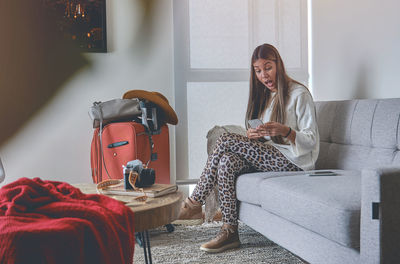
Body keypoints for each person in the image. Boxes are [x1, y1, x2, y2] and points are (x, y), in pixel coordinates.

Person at [177, 43, 319, 253]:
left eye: (268, 67)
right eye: (258, 70)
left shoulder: (300, 94)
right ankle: (229, 232)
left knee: (225, 140)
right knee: (227, 160)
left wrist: (286, 131)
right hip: (275, 156)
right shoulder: (266, 97)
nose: (264, 75)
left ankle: (194, 202)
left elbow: (312, 141)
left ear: (278, 64)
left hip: (295, 163)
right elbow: (269, 144)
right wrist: (256, 136)